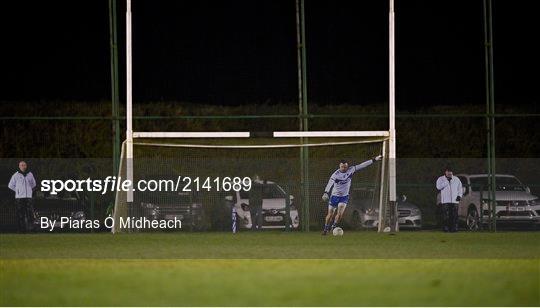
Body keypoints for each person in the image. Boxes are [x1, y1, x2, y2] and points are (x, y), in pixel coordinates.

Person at [321, 155, 382, 235]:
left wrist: (375, 159)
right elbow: (330, 184)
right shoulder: (335, 175)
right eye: (342, 167)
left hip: (344, 197)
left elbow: (362, 165)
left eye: (345, 167)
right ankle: (325, 229)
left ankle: (333, 227)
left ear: (347, 166)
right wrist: (326, 192)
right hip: (334, 196)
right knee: (330, 214)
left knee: (340, 214)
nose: (344, 168)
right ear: (339, 166)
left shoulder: (351, 170)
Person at [8, 161, 37, 233]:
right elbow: (10, 185)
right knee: (20, 214)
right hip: (19, 198)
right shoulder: (15, 175)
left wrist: (29, 191)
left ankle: (30, 229)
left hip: (28, 197)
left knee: (30, 214)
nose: (23, 166)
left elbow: (34, 184)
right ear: (19, 166)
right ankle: (21, 230)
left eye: (24, 165)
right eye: (21, 165)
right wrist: (18, 191)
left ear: (26, 166)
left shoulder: (30, 174)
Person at [436, 166, 463, 232]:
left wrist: (459, 196)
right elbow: (438, 187)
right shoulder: (441, 179)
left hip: (455, 201)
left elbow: (460, 188)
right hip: (445, 200)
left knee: (455, 215)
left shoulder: (456, 179)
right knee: (446, 215)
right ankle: (446, 228)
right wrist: (446, 182)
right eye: (448, 171)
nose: (449, 173)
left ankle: (454, 228)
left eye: (450, 171)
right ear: (445, 172)